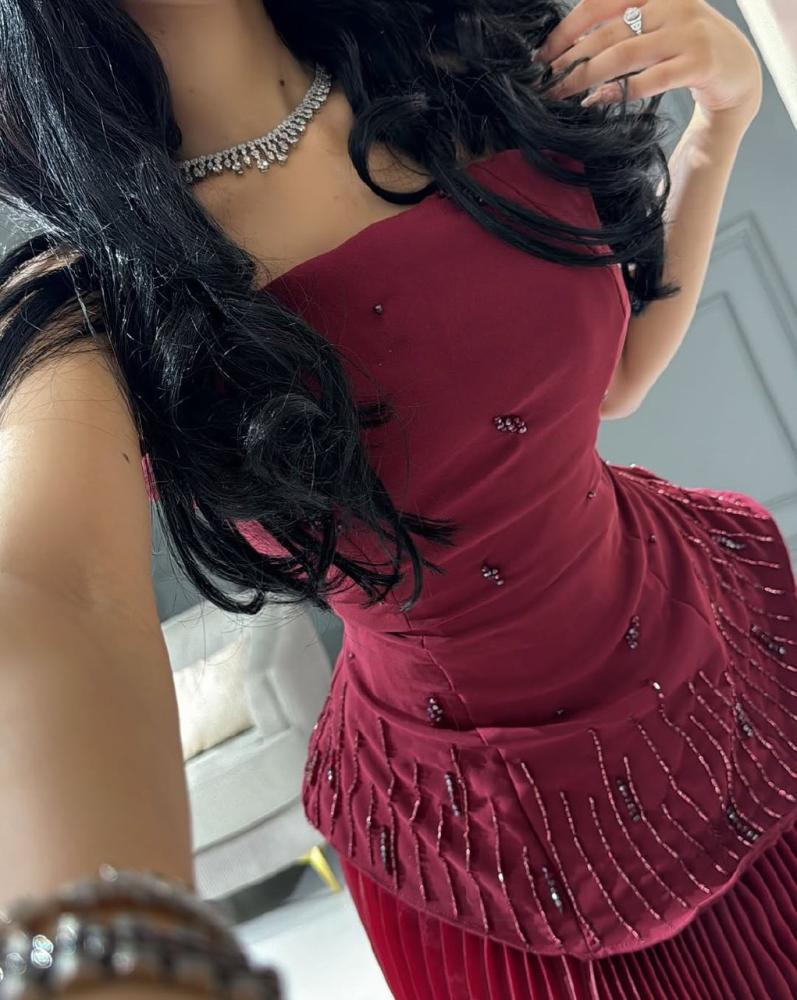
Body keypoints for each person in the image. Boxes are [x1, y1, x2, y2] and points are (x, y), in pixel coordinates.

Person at [0, 0, 791, 997]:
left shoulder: (470, 67)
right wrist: (110, 962)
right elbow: (57, 594)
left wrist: (723, 118)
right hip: (483, 859)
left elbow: (616, 376)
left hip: (731, 662)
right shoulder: (92, 306)